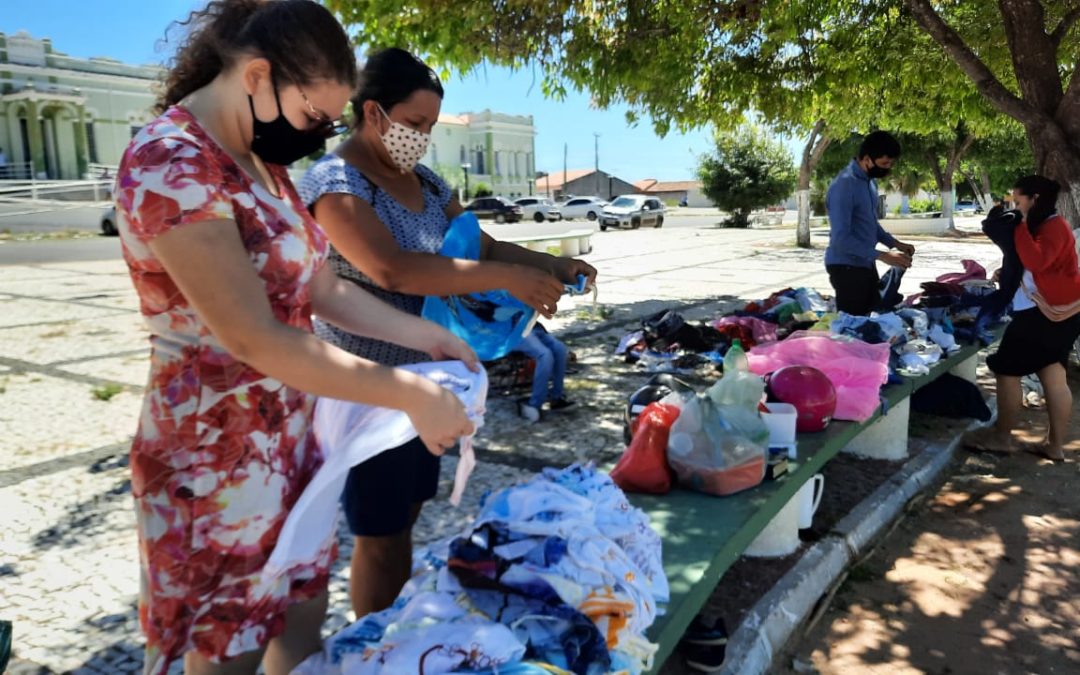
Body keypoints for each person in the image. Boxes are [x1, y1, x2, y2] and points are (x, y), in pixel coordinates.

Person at [113, 3, 477, 673]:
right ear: (257, 76)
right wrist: (408, 394)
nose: (317, 139)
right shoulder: (172, 161)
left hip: (291, 442)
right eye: (315, 118)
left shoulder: (261, 164)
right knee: (226, 648)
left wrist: (425, 337)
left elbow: (321, 289)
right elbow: (253, 334)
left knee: (299, 620)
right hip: (213, 456)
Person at [298, 47, 596, 618]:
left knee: (408, 513)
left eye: (430, 126)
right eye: (413, 124)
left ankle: (395, 631)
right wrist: (508, 277)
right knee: (379, 535)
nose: (422, 137)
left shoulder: (428, 183)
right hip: (369, 386)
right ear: (372, 114)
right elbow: (391, 268)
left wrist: (547, 265)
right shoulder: (336, 183)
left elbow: (478, 245)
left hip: (431, 375)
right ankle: (375, 643)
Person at [963, 175, 1080, 461]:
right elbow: (1040, 267)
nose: (1016, 206)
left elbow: (1036, 261)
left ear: (1035, 198)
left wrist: (1018, 227)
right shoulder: (1053, 225)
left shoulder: (1051, 227)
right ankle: (1054, 446)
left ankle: (1002, 438)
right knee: (1053, 374)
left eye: (1019, 200)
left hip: (1039, 314)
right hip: (1061, 311)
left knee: (1006, 370)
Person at [825, 131, 917, 315]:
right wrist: (884, 256)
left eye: (891, 164)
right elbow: (841, 239)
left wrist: (896, 244)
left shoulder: (870, 183)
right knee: (853, 328)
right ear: (867, 159)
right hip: (846, 267)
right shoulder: (844, 185)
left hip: (864, 264)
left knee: (872, 318)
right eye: (884, 163)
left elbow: (871, 225)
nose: (888, 168)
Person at [514, 322, 574, 422]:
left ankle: (556, 397)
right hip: (512, 332)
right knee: (545, 355)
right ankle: (535, 403)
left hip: (533, 327)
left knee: (560, 349)